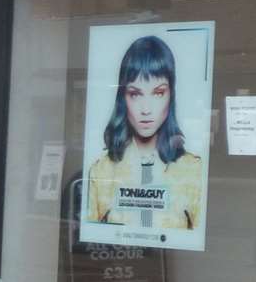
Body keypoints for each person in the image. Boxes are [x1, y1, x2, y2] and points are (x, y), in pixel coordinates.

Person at [85, 35, 203, 233]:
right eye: (135, 94)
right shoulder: (101, 172)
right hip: (119, 263)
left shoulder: (193, 171)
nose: (146, 109)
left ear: (170, 95)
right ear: (123, 98)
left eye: (158, 93)